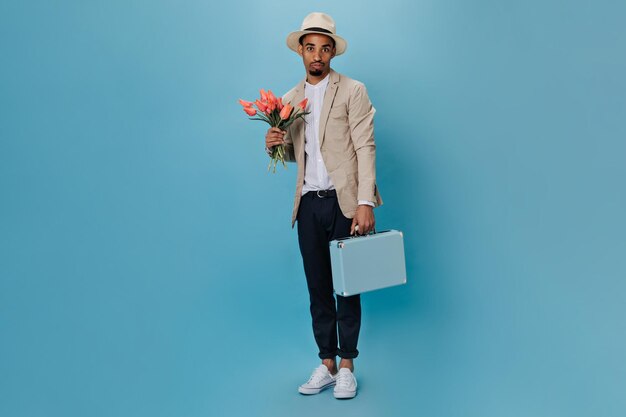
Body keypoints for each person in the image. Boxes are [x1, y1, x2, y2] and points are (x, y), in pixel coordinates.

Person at [265, 12, 382, 399]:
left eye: (325, 48)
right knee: (318, 287)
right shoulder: (288, 100)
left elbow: (365, 147)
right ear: (301, 51)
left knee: (348, 287)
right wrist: (274, 143)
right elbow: (290, 155)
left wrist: (365, 202)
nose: (318, 55)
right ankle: (327, 363)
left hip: (344, 203)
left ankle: (348, 364)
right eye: (311, 47)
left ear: (333, 52)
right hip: (308, 205)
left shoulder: (352, 90)